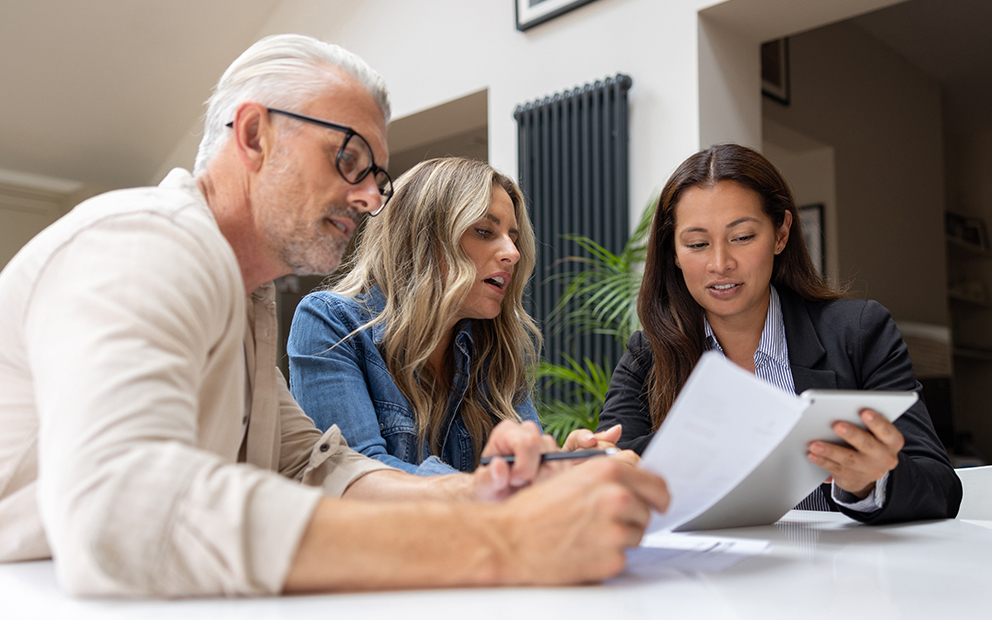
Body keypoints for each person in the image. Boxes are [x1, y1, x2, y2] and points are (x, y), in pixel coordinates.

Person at [0, 34, 669, 597]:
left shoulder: (249, 302)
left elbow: (320, 468)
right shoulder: (144, 242)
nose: (367, 198)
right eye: (346, 157)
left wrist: (494, 491)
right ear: (255, 133)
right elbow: (121, 511)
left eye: (375, 176)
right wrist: (504, 539)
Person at [597, 143, 960, 524]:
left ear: (781, 233)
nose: (721, 264)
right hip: (709, 575)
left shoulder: (858, 332)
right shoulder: (648, 353)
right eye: (698, 244)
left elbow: (941, 487)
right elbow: (609, 470)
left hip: (839, 576)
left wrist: (871, 482)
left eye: (742, 237)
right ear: (674, 251)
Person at [288, 157, 546, 475]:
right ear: (423, 239)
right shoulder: (331, 321)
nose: (513, 253)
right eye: (484, 231)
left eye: (514, 238)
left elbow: (526, 470)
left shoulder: (496, 343)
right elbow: (355, 476)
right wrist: (481, 487)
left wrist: (565, 465)